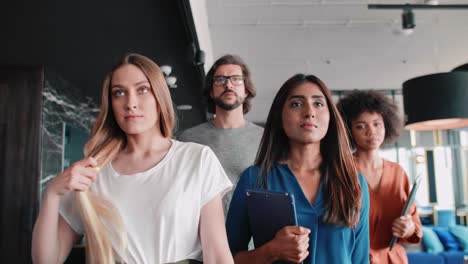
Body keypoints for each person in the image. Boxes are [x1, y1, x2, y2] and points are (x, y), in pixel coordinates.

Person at [31, 53, 234, 264]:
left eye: (142, 90)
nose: (131, 103)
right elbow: (46, 260)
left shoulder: (196, 159)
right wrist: (52, 194)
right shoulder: (94, 172)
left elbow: (218, 255)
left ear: (159, 97)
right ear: (111, 104)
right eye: (119, 93)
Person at [226, 74, 370, 264]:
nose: (309, 112)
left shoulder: (354, 182)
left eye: (318, 104)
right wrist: (270, 251)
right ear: (280, 115)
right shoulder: (254, 179)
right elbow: (225, 258)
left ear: (330, 116)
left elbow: (360, 260)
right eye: (296, 104)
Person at [337, 90, 422, 264]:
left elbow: (413, 223)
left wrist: (408, 228)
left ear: (386, 125)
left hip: (393, 258)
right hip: (352, 258)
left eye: (377, 124)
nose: (371, 132)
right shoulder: (340, 171)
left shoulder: (398, 172)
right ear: (348, 131)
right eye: (361, 126)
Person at [178, 54, 263, 214]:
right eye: (220, 80)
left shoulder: (265, 139)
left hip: (252, 237)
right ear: (211, 91)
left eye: (236, 79)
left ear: (246, 90)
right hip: (200, 235)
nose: (228, 84)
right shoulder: (187, 138)